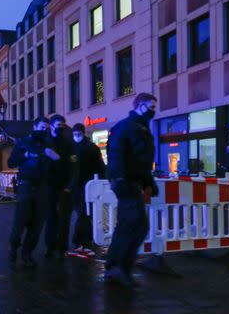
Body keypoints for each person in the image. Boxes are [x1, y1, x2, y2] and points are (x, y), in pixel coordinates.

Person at [104, 93, 158, 289]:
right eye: (150, 106)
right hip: (125, 182)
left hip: (129, 181)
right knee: (138, 225)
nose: (153, 110)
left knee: (127, 225)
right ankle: (121, 268)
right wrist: (119, 178)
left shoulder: (140, 127)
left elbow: (141, 161)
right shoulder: (128, 126)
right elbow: (117, 154)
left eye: (154, 106)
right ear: (140, 105)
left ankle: (115, 266)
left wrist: (148, 182)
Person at [8, 116, 60, 267]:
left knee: (37, 225)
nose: (45, 130)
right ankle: (14, 247)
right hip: (26, 186)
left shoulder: (49, 144)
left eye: (47, 128)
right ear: (35, 127)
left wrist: (55, 157)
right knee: (20, 222)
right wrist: (25, 155)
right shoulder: (23, 142)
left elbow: (57, 165)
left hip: (43, 188)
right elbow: (11, 162)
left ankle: (27, 254)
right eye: (42, 127)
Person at [66, 123, 106, 258]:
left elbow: (99, 167)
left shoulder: (85, 148)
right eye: (75, 134)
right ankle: (84, 240)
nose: (76, 136)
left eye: (78, 134)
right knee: (85, 214)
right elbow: (100, 167)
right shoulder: (89, 147)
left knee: (83, 214)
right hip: (84, 185)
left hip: (82, 185)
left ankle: (81, 241)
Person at [44, 114, 73, 260]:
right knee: (51, 217)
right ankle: (50, 246)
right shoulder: (45, 141)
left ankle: (62, 248)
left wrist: (69, 184)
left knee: (64, 218)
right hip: (49, 185)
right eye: (58, 124)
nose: (61, 127)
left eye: (63, 125)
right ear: (52, 125)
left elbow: (72, 165)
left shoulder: (67, 142)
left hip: (63, 185)